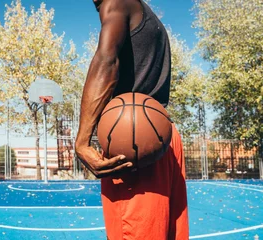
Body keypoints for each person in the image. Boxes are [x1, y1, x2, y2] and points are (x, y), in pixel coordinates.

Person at [74, 0, 189, 239]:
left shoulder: (115, 2)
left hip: (134, 145)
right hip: (161, 137)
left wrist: (82, 142)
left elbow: (107, 61)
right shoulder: (146, 15)